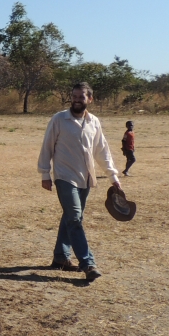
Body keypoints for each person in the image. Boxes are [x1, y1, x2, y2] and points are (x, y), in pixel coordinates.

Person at [37, 82, 122, 282]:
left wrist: (113, 176)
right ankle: (87, 263)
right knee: (75, 217)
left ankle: (60, 257)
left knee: (72, 216)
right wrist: (44, 174)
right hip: (64, 177)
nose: (76, 100)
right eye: (74, 96)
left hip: (86, 178)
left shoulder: (94, 122)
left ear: (89, 99)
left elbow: (102, 150)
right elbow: (47, 146)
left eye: (81, 97)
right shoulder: (59, 119)